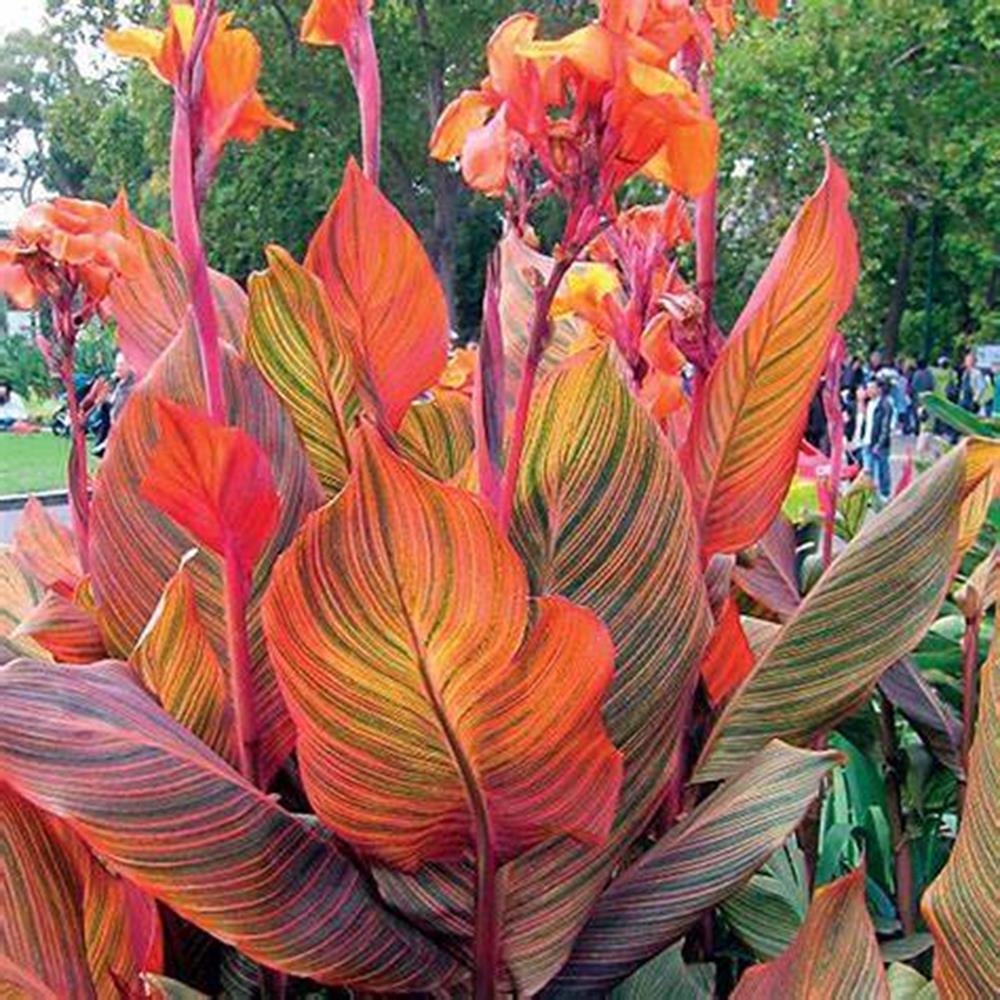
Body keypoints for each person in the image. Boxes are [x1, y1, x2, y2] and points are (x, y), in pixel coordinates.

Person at [92, 352, 135, 456]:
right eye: (116, 365)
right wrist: (104, 399)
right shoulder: (119, 384)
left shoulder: (132, 386)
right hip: (115, 430)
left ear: (130, 365)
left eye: (121, 364)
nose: (118, 368)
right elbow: (113, 402)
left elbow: (123, 404)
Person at [868, 378, 894, 499]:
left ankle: (885, 493)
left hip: (879, 442)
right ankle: (870, 494)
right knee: (869, 470)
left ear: (879, 389)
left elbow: (885, 427)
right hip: (868, 441)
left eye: (872, 388)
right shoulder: (868, 403)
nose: (869, 390)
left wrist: (880, 443)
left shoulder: (885, 405)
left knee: (883, 468)